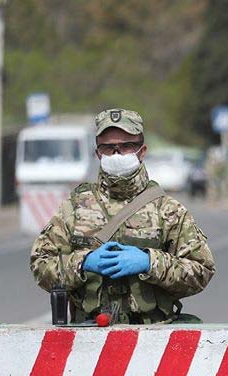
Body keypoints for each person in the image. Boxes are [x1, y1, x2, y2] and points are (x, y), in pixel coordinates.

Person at [31, 108, 215, 324]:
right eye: (109, 148)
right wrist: (83, 263)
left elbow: (201, 271)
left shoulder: (167, 210)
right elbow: (41, 265)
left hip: (153, 339)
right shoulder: (75, 208)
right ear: (98, 153)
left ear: (142, 151)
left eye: (127, 146)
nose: (117, 154)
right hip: (88, 337)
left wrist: (150, 262)